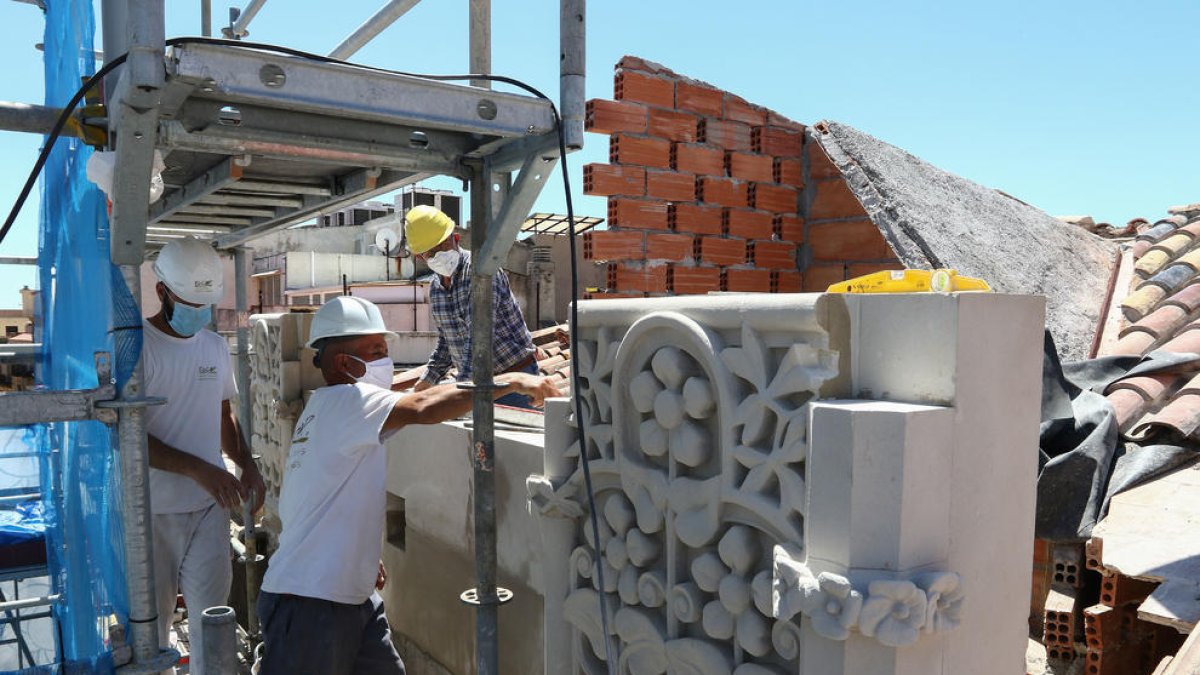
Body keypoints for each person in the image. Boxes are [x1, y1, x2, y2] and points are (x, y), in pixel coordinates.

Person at [255, 296, 558, 675]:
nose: (387, 359)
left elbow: (323, 497)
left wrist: (361, 555)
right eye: (377, 351)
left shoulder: (325, 408)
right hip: (310, 604)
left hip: (348, 596)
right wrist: (507, 381)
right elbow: (423, 406)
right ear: (344, 363)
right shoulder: (349, 401)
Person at [142, 237, 266, 674]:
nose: (200, 311)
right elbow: (128, 435)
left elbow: (223, 417)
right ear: (161, 292)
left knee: (212, 623)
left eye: (204, 303)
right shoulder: (137, 348)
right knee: (150, 633)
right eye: (190, 301)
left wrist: (247, 465)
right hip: (150, 514)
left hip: (209, 510)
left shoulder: (213, 347)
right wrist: (199, 469)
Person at [404, 205, 540, 408]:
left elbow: (479, 338)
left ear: (455, 238)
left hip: (513, 379)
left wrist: (460, 390)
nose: (440, 255)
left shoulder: (482, 272)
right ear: (420, 257)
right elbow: (447, 341)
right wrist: (428, 380)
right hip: (474, 382)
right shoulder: (436, 288)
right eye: (431, 253)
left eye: (443, 246)